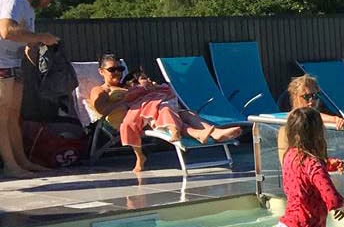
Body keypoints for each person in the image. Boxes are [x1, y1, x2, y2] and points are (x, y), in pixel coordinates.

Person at [87, 55, 244, 172]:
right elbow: (102, 110)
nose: (117, 72)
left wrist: (148, 88)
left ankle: (214, 132)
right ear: (101, 71)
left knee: (186, 114)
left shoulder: (128, 85)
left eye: (120, 69)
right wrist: (125, 100)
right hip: (134, 119)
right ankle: (204, 133)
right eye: (112, 69)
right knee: (166, 112)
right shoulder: (100, 90)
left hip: (150, 110)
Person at [0, 0, 60, 176]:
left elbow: (28, 43)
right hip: (1, 63)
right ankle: (11, 166)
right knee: (2, 115)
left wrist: (38, 66)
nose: (47, 3)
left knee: (13, 115)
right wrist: (41, 37)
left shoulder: (29, 10)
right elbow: (6, 31)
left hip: (14, 63)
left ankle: (22, 161)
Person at [277, 74, 344, 165]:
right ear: (295, 97)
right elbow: (287, 164)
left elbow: (318, 159)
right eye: (306, 96)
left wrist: (328, 163)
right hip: (298, 170)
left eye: (314, 96)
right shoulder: (290, 123)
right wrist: (334, 119)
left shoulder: (314, 121)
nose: (311, 100)